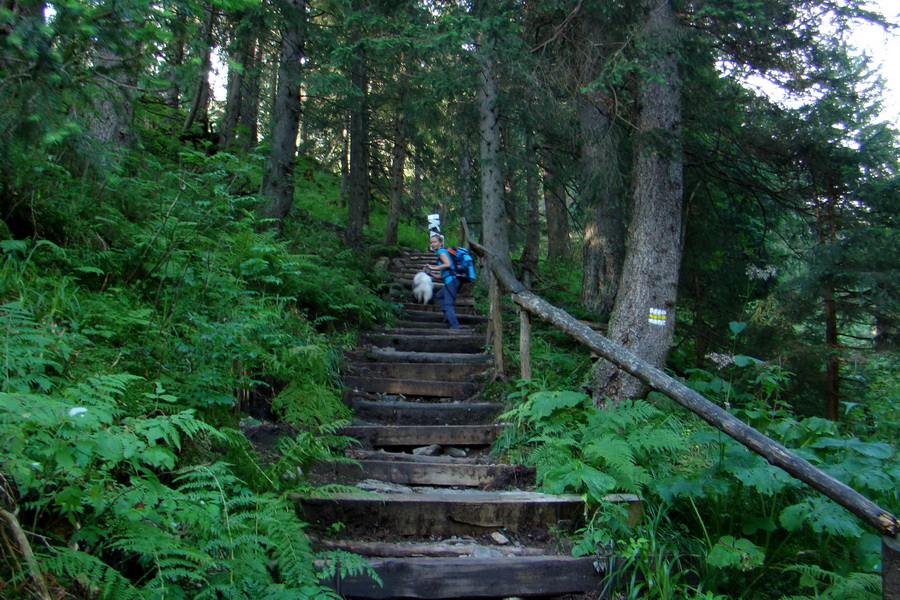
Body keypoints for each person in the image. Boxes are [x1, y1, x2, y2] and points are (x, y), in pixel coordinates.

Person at [425, 233, 462, 330]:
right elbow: (442, 275)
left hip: (452, 281)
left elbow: (448, 264)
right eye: (431, 242)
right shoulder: (441, 252)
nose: (432, 244)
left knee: (449, 303)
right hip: (450, 280)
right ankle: (449, 317)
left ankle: (455, 327)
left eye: (435, 242)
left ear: (440, 243)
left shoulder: (441, 251)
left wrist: (433, 267)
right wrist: (432, 274)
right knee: (439, 295)